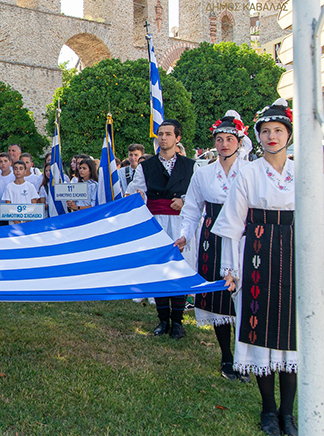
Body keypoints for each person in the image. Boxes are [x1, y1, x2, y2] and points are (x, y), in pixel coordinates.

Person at [212, 99, 297, 436]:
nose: (272, 136)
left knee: (290, 333)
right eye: (266, 131)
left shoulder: (302, 171)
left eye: (278, 130)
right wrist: (230, 270)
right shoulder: (247, 171)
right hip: (257, 253)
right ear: (258, 136)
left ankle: (288, 414)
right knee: (259, 328)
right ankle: (268, 410)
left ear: (288, 134)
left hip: (293, 254)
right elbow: (233, 223)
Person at [174, 112, 250, 382]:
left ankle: (244, 357)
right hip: (212, 237)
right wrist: (185, 235)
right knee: (218, 297)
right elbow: (192, 208)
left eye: (230, 139)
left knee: (245, 296)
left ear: (239, 142)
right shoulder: (204, 173)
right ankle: (226, 356)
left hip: (243, 236)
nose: (224, 144)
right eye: (220, 139)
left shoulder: (250, 171)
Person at [126, 119, 196, 339]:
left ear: (178, 137)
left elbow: (197, 195)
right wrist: (139, 197)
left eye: (168, 134)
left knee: (179, 268)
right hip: (156, 222)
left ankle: (178, 321)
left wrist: (184, 201)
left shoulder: (190, 165)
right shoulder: (146, 166)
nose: (163, 138)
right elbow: (135, 191)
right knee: (159, 269)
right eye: (160, 134)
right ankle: (163, 319)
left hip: (181, 222)